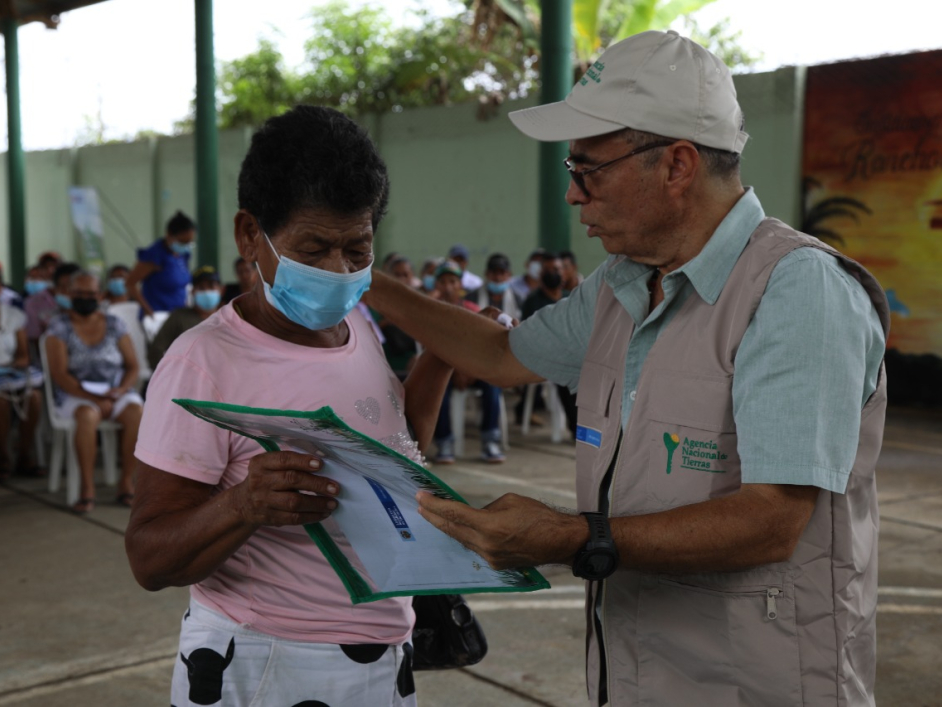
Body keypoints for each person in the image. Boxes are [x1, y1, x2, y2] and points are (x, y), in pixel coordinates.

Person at [364, 30, 889, 707]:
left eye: (588, 169)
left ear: (675, 165)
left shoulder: (796, 291)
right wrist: (362, 279)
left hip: (760, 682)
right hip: (637, 674)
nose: (573, 196)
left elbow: (772, 519)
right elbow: (499, 353)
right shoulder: (623, 286)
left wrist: (571, 536)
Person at [125, 106, 454, 707]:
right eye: (314, 248)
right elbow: (149, 557)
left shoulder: (360, 326)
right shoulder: (205, 362)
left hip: (383, 657)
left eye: (358, 248)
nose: (339, 271)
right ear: (251, 234)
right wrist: (243, 505)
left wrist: (440, 358)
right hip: (265, 659)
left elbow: (399, 456)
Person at [45, 270, 143, 514]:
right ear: (69, 294)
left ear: (100, 295)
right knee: (87, 417)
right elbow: (60, 374)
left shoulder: (114, 324)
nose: (85, 298)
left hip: (113, 390)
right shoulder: (59, 326)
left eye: (91, 294)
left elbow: (133, 366)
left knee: (137, 413)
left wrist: (120, 390)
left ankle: (126, 482)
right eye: (79, 293)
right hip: (75, 393)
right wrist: (94, 399)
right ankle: (87, 488)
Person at [431, 260, 505, 464]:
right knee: (438, 392)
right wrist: (455, 371)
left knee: (492, 385)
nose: (447, 286)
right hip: (443, 370)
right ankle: (444, 442)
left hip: (471, 369)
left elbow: (481, 345)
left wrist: (469, 370)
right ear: (436, 285)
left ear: (460, 285)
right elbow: (433, 348)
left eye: (452, 281)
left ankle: (490, 441)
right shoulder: (429, 312)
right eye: (443, 281)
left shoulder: (473, 310)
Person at [520, 253, 578, 440]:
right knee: (567, 376)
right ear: (540, 273)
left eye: (557, 270)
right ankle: (576, 429)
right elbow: (528, 334)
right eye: (548, 270)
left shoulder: (572, 297)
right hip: (545, 355)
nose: (553, 273)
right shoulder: (533, 301)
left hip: (573, 353)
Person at [147, 266, 224, 370]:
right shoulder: (179, 317)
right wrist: (167, 377)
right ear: (192, 292)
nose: (206, 291)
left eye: (211, 286)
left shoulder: (229, 317)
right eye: (201, 287)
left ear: (221, 290)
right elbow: (156, 350)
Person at [0, 293, 43, 479]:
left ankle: (24, 453)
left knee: (34, 397)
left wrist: (13, 365)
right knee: (0, 402)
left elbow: (24, 356)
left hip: (9, 374)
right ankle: (2, 458)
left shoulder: (12, 316)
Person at [125, 210, 196, 316]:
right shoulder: (155, 256)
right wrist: (147, 310)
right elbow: (130, 283)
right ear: (169, 235)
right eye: (182, 242)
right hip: (158, 315)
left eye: (189, 242)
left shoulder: (183, 254)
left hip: (178, 314)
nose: (186, 246)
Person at [26, 262, 80, 363]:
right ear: (55, 288)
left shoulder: (96, 315)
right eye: (62, 287)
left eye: (71, 287)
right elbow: (37, 344)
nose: (67, 291)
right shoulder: (48, 317)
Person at [468, 252, 522, 321]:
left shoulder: (518, 300)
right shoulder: (472, 297)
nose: (498, 277)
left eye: (502, 273)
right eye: (494, 272)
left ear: (509, 275)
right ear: (486, 274)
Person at [521, 252, 568, 320]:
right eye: (547, 270)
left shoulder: (570, 298)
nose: (551, 273)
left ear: (563, 272)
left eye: (555, 269)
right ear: (540, 273)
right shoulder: (532, 302)